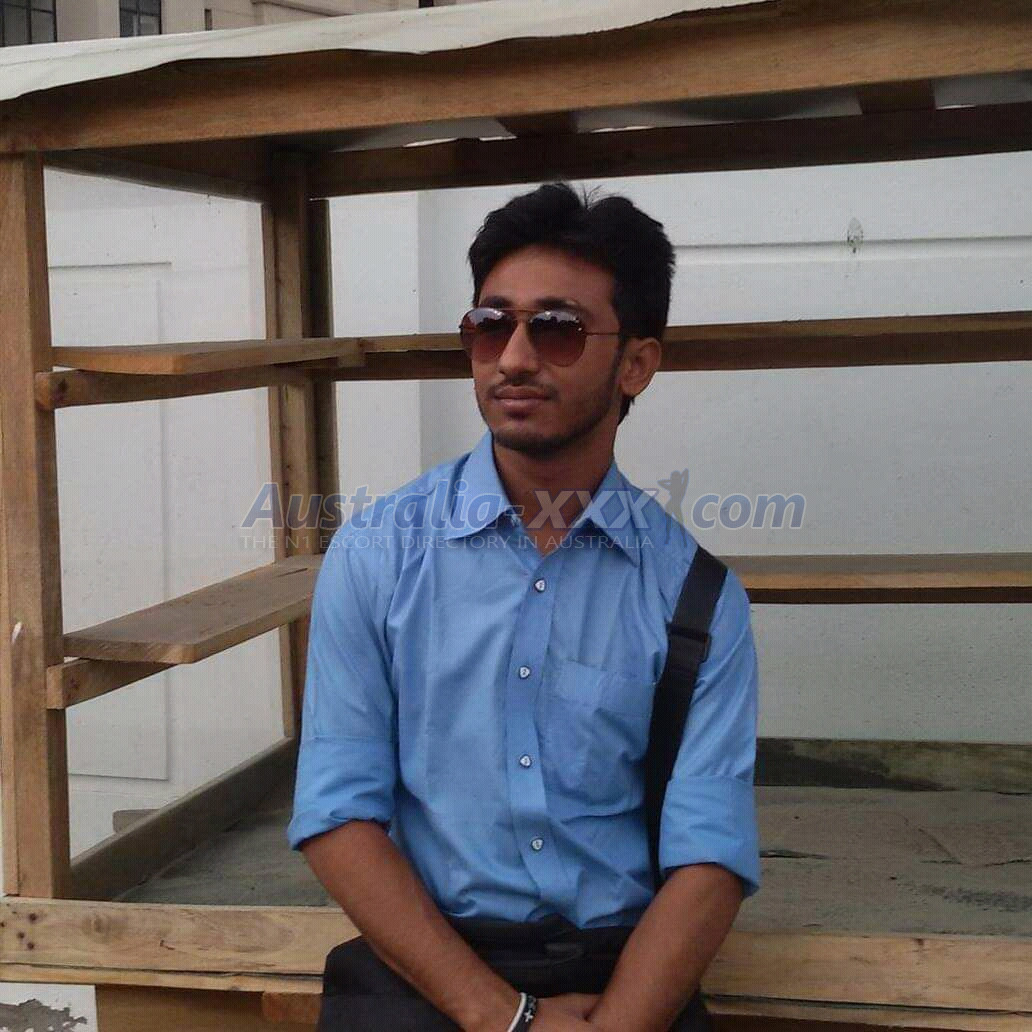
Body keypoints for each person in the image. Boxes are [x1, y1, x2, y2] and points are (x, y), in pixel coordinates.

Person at [287, 182, 761, 1031]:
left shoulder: (696, 596)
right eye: (489, 324)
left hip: (626, 979)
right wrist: (506, 1019)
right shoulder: (379, 556)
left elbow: (711, 855)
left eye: (557, 328)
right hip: (428, 968)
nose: (511, 357)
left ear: (636, 364)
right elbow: (337, 813)